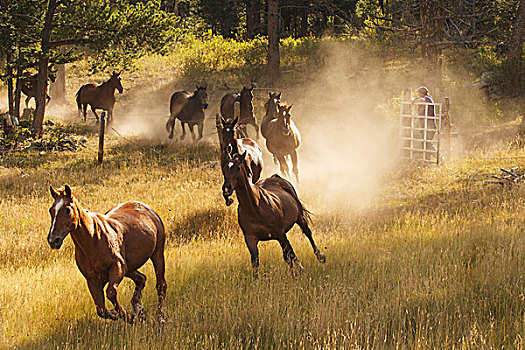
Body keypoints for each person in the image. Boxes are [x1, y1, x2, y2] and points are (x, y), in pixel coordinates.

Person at [411, 86, 438, 161]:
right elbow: (415, 99)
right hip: (425, 126)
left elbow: (422, 100)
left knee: (427, 143)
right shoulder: (424, 98)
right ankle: (427, 160)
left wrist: (416, 100)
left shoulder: (428, 98)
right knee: (425, 144)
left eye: (419, 93)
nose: (418, 94)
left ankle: (440, 157)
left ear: (422, 93)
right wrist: (413, 99)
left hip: (430, 126)